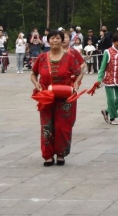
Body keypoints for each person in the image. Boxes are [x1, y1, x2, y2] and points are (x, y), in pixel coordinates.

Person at [30, 30, 84, 166]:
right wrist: (37, 84)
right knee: (46, 125)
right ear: (48, 41)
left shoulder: (69, 58)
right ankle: (48, 155)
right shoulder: (42, 58)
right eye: (52, 38)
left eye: (58, 38)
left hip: (64, 95)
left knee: (62, 126)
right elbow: (33, 74)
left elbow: (79, 72)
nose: (55, 40)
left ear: (62, 41)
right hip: (46, 96)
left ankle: (61, 153)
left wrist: (76, 83)